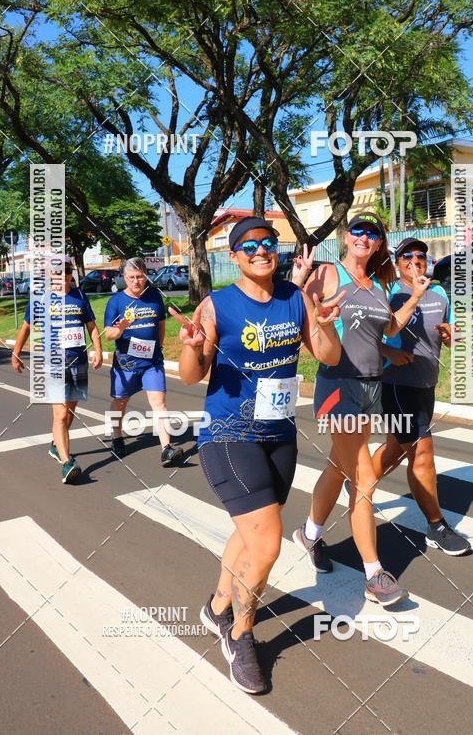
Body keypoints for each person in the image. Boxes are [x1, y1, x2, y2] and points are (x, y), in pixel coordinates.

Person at [170, 216, 342, 694]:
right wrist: (191, 347)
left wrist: (323, 324)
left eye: (269, 243)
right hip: (228, 434)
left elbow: (328, 356)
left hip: (278, 433)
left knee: (250, 533)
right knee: (267, 543)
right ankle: (241, 634)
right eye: (250, 246)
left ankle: (216, 607)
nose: (261, 251)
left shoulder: (296, 298)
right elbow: (189, 375)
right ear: (235, 255)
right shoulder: (217, 304)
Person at [291, 213, 431, 606]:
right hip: (338, 387)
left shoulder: (377, 285)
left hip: (372, 387)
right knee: (364, 478)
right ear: (345, 236)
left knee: (339, 467)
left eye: (372, 233)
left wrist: (416, 297)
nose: (364, 237)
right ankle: (373, 574)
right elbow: (290, 314)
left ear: (378, 243)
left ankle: (309, 533)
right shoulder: (326, 274)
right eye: (358, 230)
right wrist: (300, 286)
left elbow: (386, 331)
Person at [371, 237, 471, 555]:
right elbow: (372, 336)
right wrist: (390, 350)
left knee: (395, 450)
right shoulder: (388, 294)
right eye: (407, 256)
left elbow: (452, 335)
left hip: (426, 385)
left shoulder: (439, 293)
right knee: (421, 452)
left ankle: (359, 483)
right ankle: (436, 525)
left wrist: (451, 334)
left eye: (421, 256)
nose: (415, 260)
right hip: (395, 385)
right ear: (396, 263)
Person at [11, 258, 103, 484]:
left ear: (72, 274)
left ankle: (55, 445)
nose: (63, 276)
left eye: (67, 272)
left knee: (69, 412)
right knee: (60, 414)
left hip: (78, 361)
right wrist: (16, 353)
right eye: (58, 272)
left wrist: (99, 350)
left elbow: (91, 326)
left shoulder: (80, 296)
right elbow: (26, 327)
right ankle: (66, 462)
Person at [104, 257, 183, 466]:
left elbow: (161, 325)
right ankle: (116, 436)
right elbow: (109, 334)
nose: (136, 281)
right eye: (131, 277)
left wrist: (160, 347)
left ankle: (167, 448)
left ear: (146, 275)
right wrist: (119, 329)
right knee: (120, 401)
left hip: (152, 362)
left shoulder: (155, 297)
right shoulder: (116, 302)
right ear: (124, 277)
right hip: (126, 364)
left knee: (159, 404)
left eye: (140, 277)